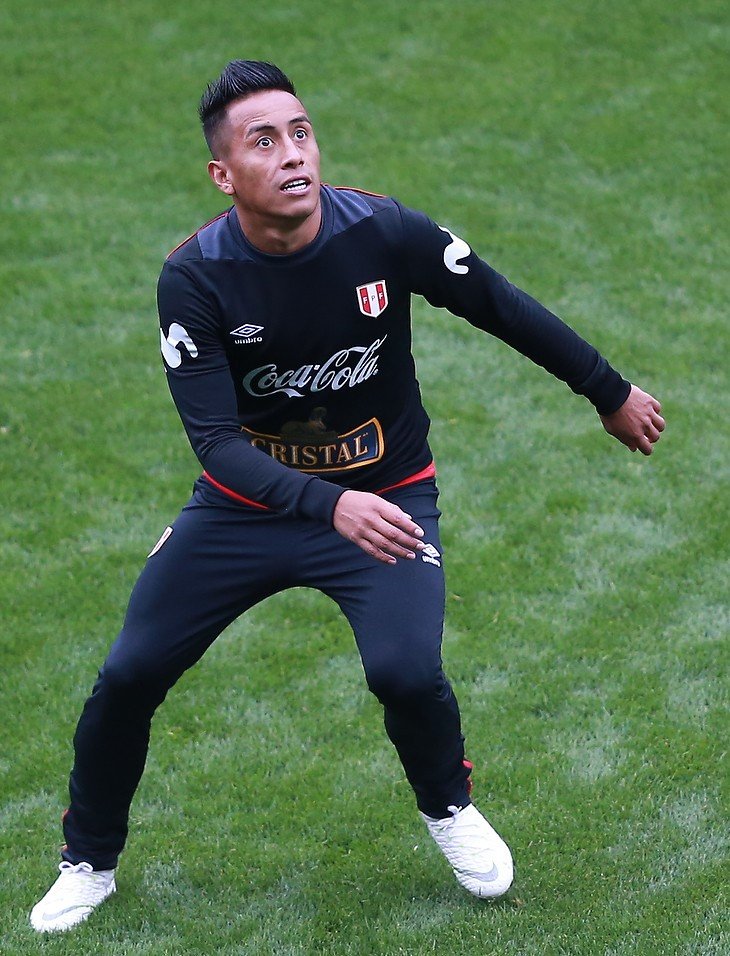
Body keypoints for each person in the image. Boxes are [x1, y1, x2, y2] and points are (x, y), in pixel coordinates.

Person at [30, 59, 665, 933]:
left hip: (388, 495)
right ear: (223, 174)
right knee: (130, 672)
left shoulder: (384, 231)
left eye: (300, 133)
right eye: (263, 142)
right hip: (247, 508)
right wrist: (330, 504)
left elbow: (501, 305)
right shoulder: (195, 279)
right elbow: (217, 446)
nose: (293, 154)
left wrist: (608, 390)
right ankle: (88, 862)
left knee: (405, 670)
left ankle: (448, 806)